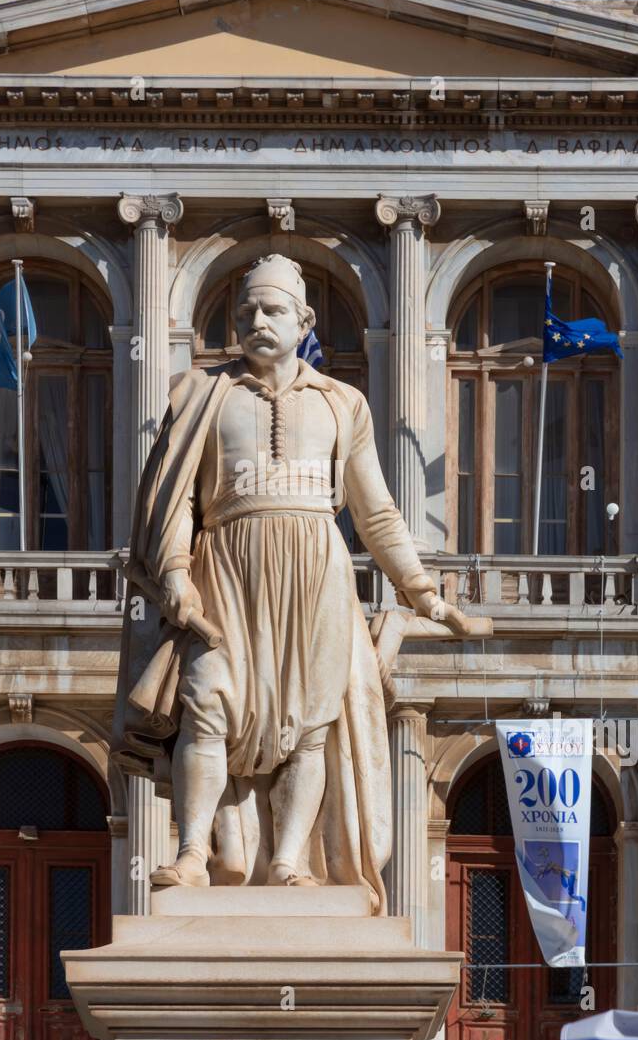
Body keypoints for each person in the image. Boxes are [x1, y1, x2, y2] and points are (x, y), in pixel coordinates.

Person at [112, 253, 477, 910]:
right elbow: (171, 502)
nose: (258, 321)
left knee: (312, 722)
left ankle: (287, 862)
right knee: (208, 703)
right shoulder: (200, 395)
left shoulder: (343, 404)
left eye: (273, 309)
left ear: (303, 319)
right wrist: (173, 577)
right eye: (246, 310)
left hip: (317, 574)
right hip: (225, 567)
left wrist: (423, 592)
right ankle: (193, 852)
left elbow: (377, 512)